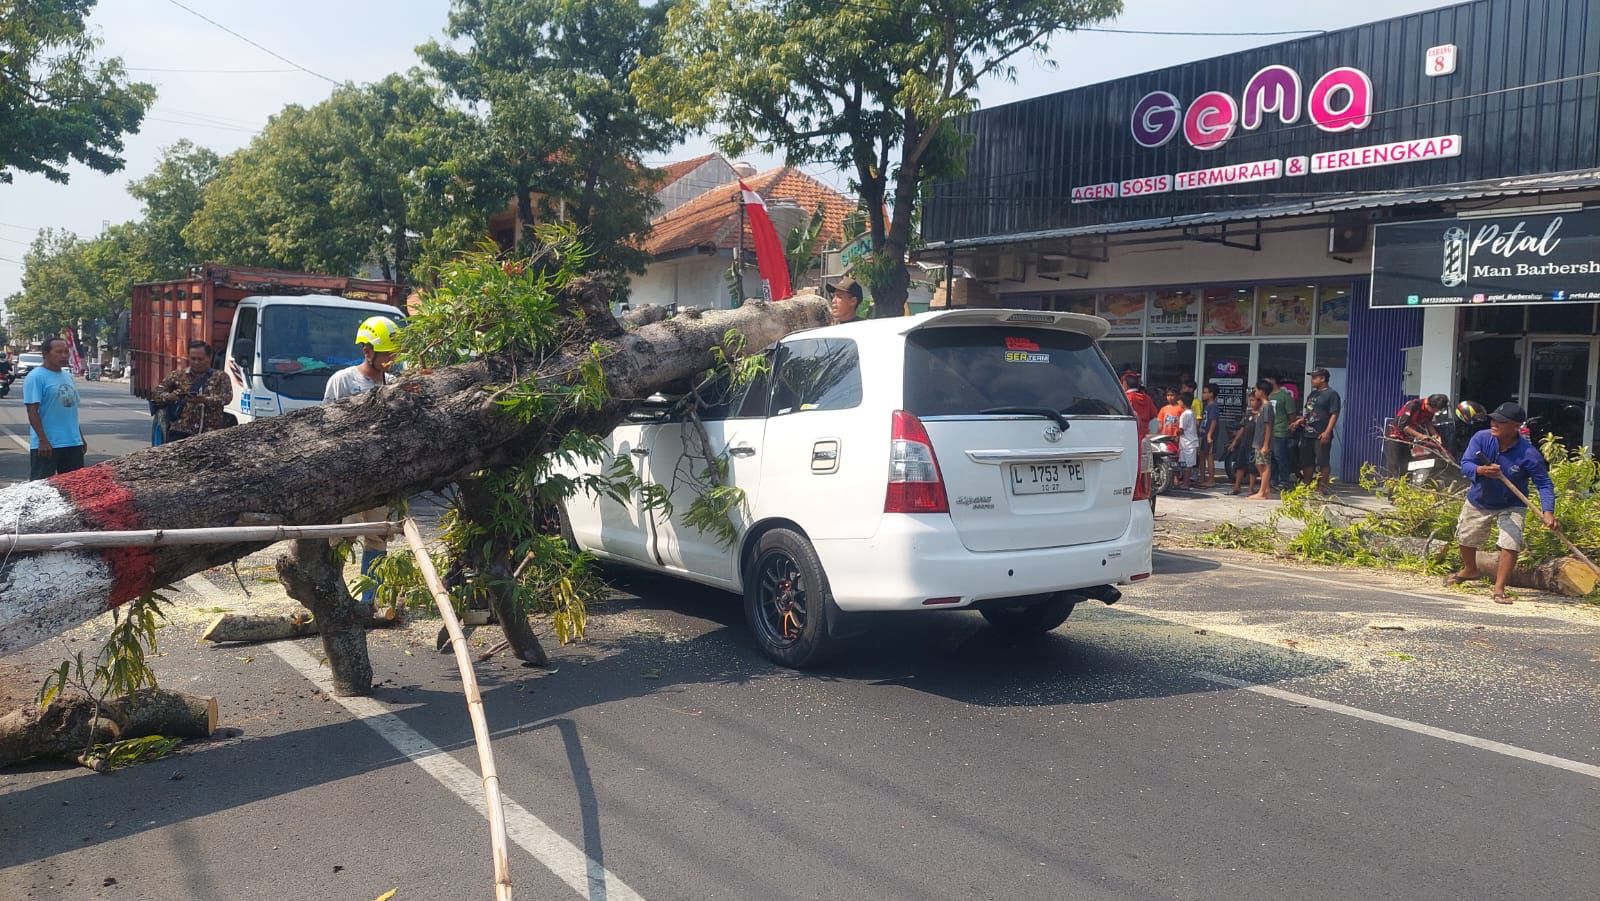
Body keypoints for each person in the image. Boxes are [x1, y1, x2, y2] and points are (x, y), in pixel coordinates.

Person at [325, 315, 402, 609]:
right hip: (349, 477)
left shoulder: (394, 384)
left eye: (393, 355)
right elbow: (327, 425)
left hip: (382, 477)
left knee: (377, 536)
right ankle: (334, 597)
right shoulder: (343, 381)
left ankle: (370, 598)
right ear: (367, 350)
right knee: (342, 537)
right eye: (385, 354)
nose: (390, 360)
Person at [1444, 403, 1556, 604]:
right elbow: (1466, 464)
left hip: (1512, 502)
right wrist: (1480, 471)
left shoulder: (1528, 454)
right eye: (1493, 419)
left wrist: (1548, 512)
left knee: (1510, 542)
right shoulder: (1481, 438)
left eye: (1501, 421)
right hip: (1480, 499)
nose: (1494, 423)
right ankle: (1470, 570)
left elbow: (1544, 483)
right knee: (1466, 538)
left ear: (1515, 426)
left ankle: (1499, 588)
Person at [24, 336, 87, 480]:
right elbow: (32, 410)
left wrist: (80, 437)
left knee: (75, 488)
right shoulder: (36, 377)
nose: (64, 355)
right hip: (47, 445)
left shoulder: (68, 376)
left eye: (66, 352)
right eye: (58, 352)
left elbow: (70, 411)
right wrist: (43, 440)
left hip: (72, 443)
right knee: (41, 490)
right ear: (45, 354)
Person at [150, 340, 232, 441]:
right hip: (180, 432)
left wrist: (205, 400)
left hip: (209, 434)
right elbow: (156, 393)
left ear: (209, 358)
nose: (196, 362)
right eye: (193, 359)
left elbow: (227, 398)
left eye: (200, 359)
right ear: (188, 357)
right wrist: (170, 396)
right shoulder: (178, 375)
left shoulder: (221, 377)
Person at [1294, 368, 1342, 494]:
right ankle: (1307, 484)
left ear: (1323, 378)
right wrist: (1300, 421)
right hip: (1307, 433)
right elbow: (1309, 412)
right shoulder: (1312, 394)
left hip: (1321, 433)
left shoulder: (1332, 394)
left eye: (1315, 377)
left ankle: (1322, 487)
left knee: (1323, 461)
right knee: (1306, 461)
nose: (1312, 380)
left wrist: (1327, 431)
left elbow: (1334, 414)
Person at [1385, 392, 1450, 480]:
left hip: (1408, 439)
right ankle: (1390, 488)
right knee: (1394, 464)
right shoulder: (1413, 405)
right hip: (1396, 436)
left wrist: (1435, 435)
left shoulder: (1430, 410)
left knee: (1407, 464)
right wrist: (1420, 436)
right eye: (1434, 410)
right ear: (1428, 404)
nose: (1434, 412)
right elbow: (1402, 425)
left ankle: (1405, 486)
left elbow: (1428, 422)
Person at [1246, 380, 1275, 500]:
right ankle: (1265, 489)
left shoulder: (1267, 406)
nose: (1255, 392)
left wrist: (1266, 444)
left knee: (1265, 465)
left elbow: (1268, 426)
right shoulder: (1263, 407)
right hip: (1258, 440)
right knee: (1259, 464)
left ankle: (1262, 492)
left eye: (1257, 390)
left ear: (1262, 391)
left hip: (1263, 441)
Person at [1266, 375, 1295, 491]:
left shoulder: (1284, 396)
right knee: (1270, 457)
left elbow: (1291, 414)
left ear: (1274, 381)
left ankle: (1284, 480)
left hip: (1280, 431)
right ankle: (1273, 479)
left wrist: (1290, 427)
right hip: (1268, 431)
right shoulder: (1267, 395)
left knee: (1280, 456)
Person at [1229, 394, 1261, 496]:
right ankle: (1236, 487)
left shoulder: (1262, 415)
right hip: (1245, 443)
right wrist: (1234, 442)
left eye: (1253, 400)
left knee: (1252, 467)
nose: (1251, 403)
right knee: (1240, 465)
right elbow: (1242, 428)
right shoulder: (1248, 414)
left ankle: (1250, 489)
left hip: (1254, 444)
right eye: (1250, 401)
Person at [1121, 366, 1158, 440]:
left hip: (1130, 433)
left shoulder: (1127, 398)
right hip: (1144, 434)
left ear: (1125, 384)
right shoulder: (1147, 398)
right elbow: (1154, 414)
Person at [1198, 383, 1219, 488]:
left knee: (1209, 456)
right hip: (1203, 433)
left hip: (1209, 435)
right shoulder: (1207, 405)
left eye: (1205, 392)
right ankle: (1201, 478)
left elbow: (1214, 421)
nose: (1203, 394)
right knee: (1202, 455)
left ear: (1211, 394)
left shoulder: (1213, 406)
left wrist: (1210, 435)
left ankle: (1211, 479)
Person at [1176, 402, 1199, 489]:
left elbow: (1181, 429)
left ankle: (1185, 483)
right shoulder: (1192, 412)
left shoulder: (1185, 414)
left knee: (1186, 464)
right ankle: (1184, 482)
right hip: (1189, 441)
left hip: (1187, 441)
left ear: (1182, 402)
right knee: (1186, 464)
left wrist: (1176, 434)